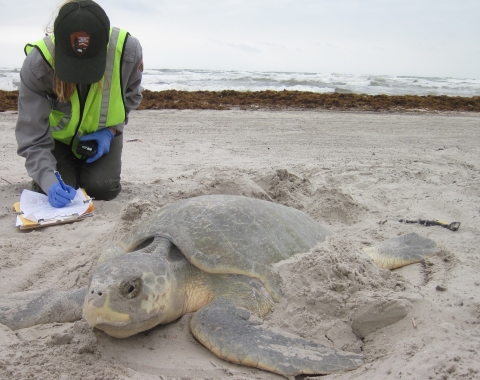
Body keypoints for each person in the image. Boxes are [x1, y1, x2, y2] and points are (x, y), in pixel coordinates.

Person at [15, 0, 143, 207]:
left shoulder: (127, 50)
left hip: (101, 137)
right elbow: (31, 136)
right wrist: (48, 180)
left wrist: (110, 131)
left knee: (102, 188)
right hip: (56, 141)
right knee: (57, 187)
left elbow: (132, 96)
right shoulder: (38, 64)